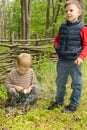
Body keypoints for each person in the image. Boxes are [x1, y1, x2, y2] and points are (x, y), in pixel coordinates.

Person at [48, 0, 87, 113]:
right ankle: (59, 101)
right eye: (66, 11)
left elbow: (86, 45)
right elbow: (56, 40)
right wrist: (57, 47)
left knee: (76, 84)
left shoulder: (83, 28)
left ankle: (73, 104)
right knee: (60, 82)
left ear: (79, 12)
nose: (68, 13)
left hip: (75, 61)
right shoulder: (62, 27)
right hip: (62, 61)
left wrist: (81, 57)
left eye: (71, 10)